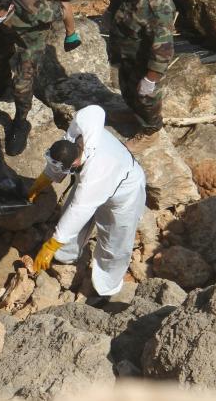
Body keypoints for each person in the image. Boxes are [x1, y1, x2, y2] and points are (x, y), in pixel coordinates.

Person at [26, 105, 146, 299]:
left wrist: (50, 245)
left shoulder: (96, 173)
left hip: (125, 189)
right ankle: (66, 256)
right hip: (96, 178)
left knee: (115, 240)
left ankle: (107, 287)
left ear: (75, 163)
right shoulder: (75, 137)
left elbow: (80, 210)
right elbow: (61, 160)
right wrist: (44, 179)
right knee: (68, 220)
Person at [0, 0, 81, 156]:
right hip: (5, 28)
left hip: (32, 35)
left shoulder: (36, 9)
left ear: (10, 7)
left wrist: (71, 34)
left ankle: (21, 122)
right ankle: (4, 88)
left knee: (22, 84)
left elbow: (65, 8)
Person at [107, 0, 176, 135]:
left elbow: (163, 49)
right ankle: (135, 113)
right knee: (126, 85)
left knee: (145, 95)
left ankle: (150, 129)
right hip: (126, 47)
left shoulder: (159, 6)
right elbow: (116, 7)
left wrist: (150, 78)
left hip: (146, 53)